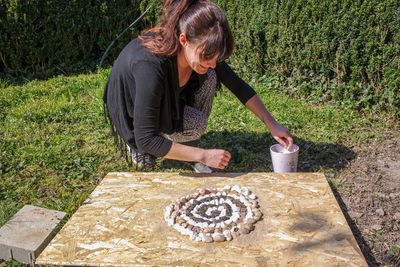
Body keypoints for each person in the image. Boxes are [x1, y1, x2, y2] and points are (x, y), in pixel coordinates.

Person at [103, 0, 293, 173]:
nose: (212, 62)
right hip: (133, 115)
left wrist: (272, 123)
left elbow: (238, 86)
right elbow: (146, 138)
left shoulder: (204, 48)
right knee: (146, 144)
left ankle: (184, 147)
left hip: (165, 100)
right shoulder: (149, 66)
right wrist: (203, 155)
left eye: (216, 57)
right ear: (183, 40)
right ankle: (135, 146)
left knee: (210, 75)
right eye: (206, 57)